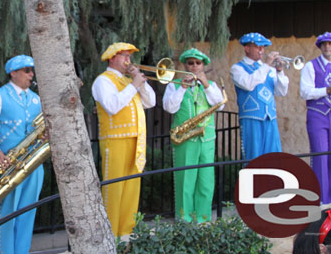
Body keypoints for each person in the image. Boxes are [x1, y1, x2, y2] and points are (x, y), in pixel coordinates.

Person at [0, 54, 44, 254]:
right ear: (13, 73)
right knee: (7, 214)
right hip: (8, 165)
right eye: (27, 71)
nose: (31, 75)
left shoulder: (36, 99)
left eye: (31, 70)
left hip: (33, 164)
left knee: (27, 214)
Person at [91, 42, 156, 236]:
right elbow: (112, 105)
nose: (128, 60)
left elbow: (151, 101)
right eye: (124, 56)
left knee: (131, 190)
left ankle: (127, 235)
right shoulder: (102, 81)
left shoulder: (129, 81)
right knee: (114, 190)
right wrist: (134, 85)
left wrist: (140, 82)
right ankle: (110, 237)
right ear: (112, 58)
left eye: (129, 56)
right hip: (115, 141)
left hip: (135, 140)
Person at [162, 48, 225, 223]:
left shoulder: (211, 85)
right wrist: (182, 87)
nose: (195, 66)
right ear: (185, 65)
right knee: (185, 180)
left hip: (206, 138)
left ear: (203, 65)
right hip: (185, 138)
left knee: (205, 180)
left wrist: (205, 85)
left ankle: (203, 218)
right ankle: (184, 219)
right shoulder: (173, 85)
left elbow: (220, 106)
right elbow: (169, 107)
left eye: (198, 63)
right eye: (191, 63)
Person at [230, 32, 289, 161]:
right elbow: (248, 84)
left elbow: (282, 91)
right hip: (251, 117)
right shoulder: (237, 68)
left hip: (270, 117)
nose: (262, 50)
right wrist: (267, 65)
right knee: (254, 157)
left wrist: (280, 71)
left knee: (274, 157)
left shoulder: (269, 69)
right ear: (247, 48)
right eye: (258, 46)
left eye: (263, 47)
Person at [300, 32, 331, 205]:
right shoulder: (311, 66)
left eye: (330, 44)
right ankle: (321, 201)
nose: (327, 47)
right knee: (320, 156)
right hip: (318, 115)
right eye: (324, 44)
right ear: (319, 47)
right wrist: (326, 90)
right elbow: (304, 92)